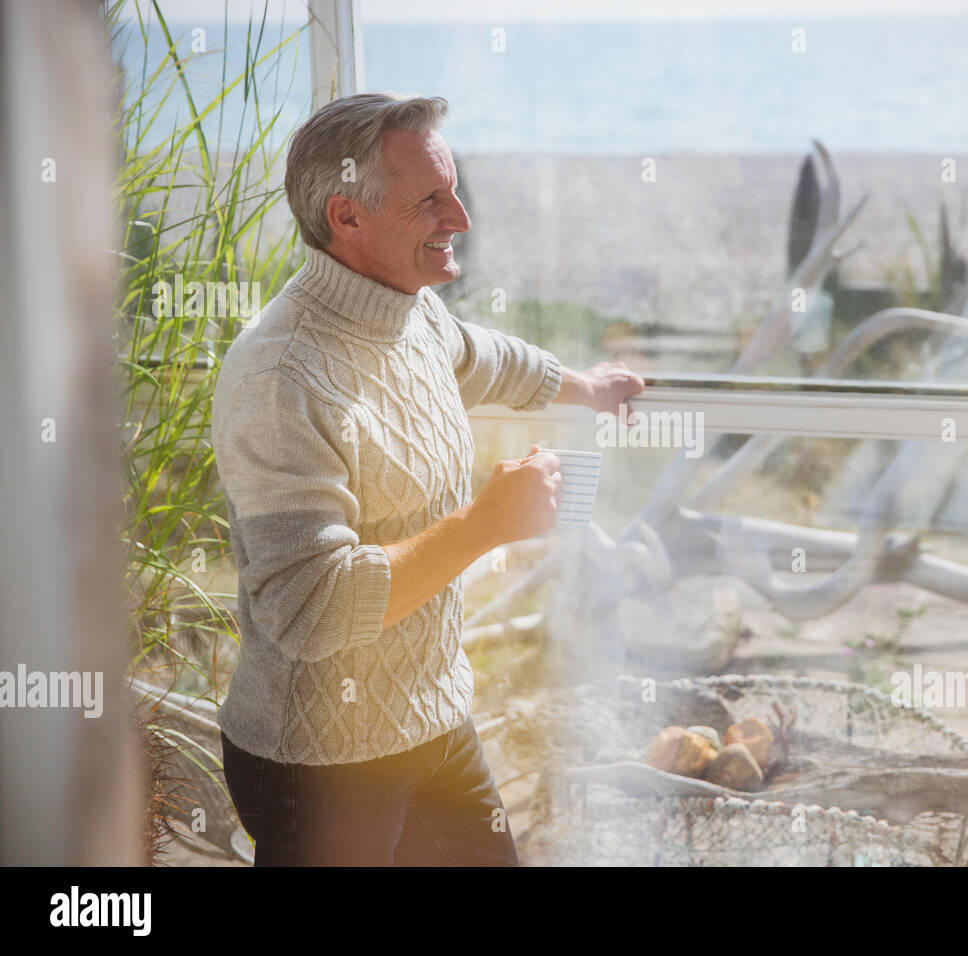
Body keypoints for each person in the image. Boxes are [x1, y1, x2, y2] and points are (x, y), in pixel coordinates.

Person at [210, 92, 644, 865]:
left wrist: (586, 386)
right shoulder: (279, 376)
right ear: (347, 218)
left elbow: (479, 358)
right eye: (431, 201)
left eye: (455, 190)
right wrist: (487, 525)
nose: (461, 219)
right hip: (323, 765)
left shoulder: (408, 309)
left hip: (435, 725)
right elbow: (312, 610)